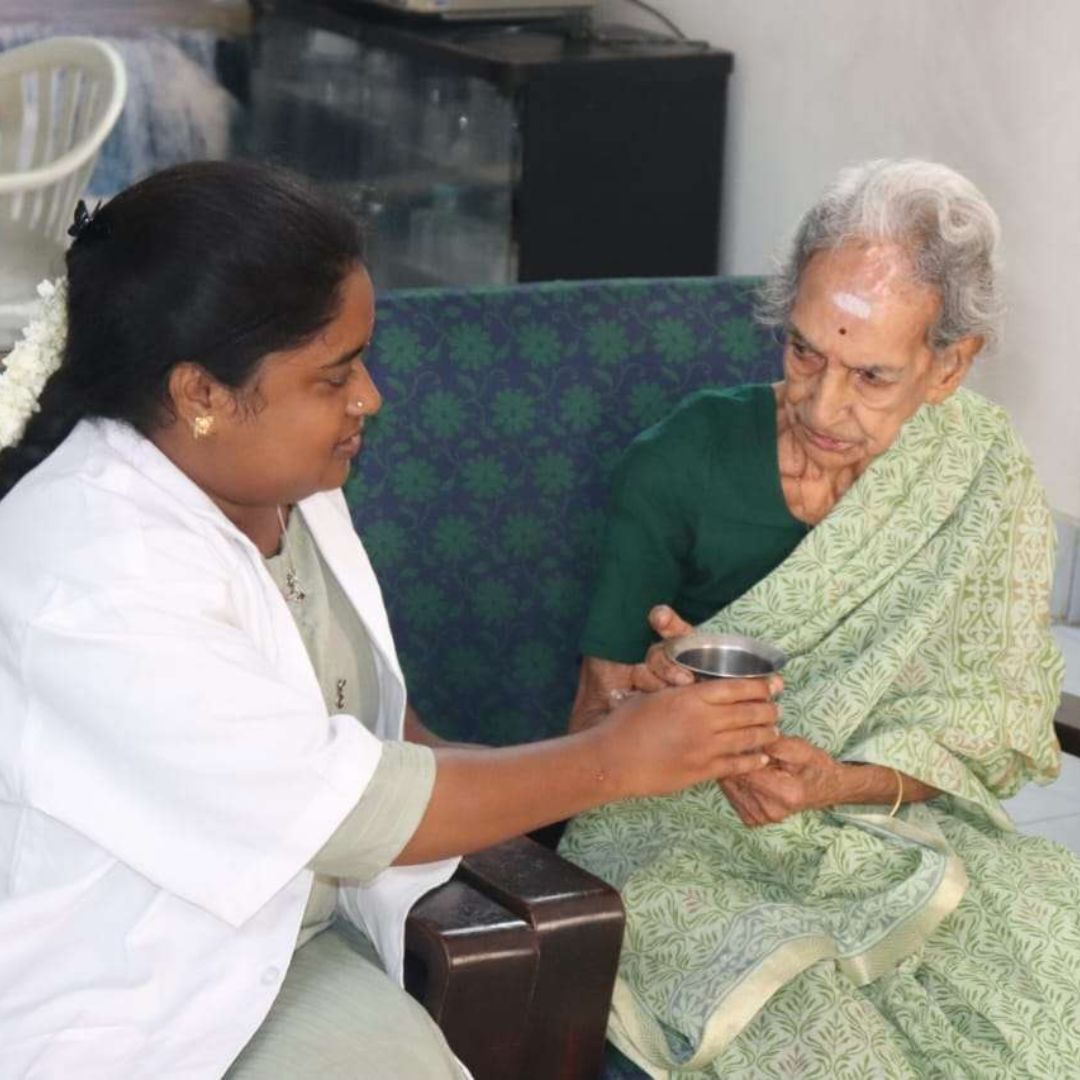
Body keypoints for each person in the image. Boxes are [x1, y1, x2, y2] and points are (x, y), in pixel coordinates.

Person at [0, 162, 782, 1078]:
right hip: (129, 984)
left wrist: (623, 733)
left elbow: (386, 744)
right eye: (334, 377)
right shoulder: (91, 573)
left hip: (288, 945)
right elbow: (354, 811)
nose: (369, 397)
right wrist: (616, 763)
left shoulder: (283, 487)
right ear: (200, 395)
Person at [562, 159, 1080, 1077]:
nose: (822, 404)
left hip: (889, 834)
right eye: (805, 351)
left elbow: (986, 728)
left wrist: (837, 783)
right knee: (810, 1024)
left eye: (872, 374)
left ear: (952, 364)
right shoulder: (683, 458)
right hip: (677, 837)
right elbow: (587, 735)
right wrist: (646, 708)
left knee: (1050, 967)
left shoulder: (981, 477)